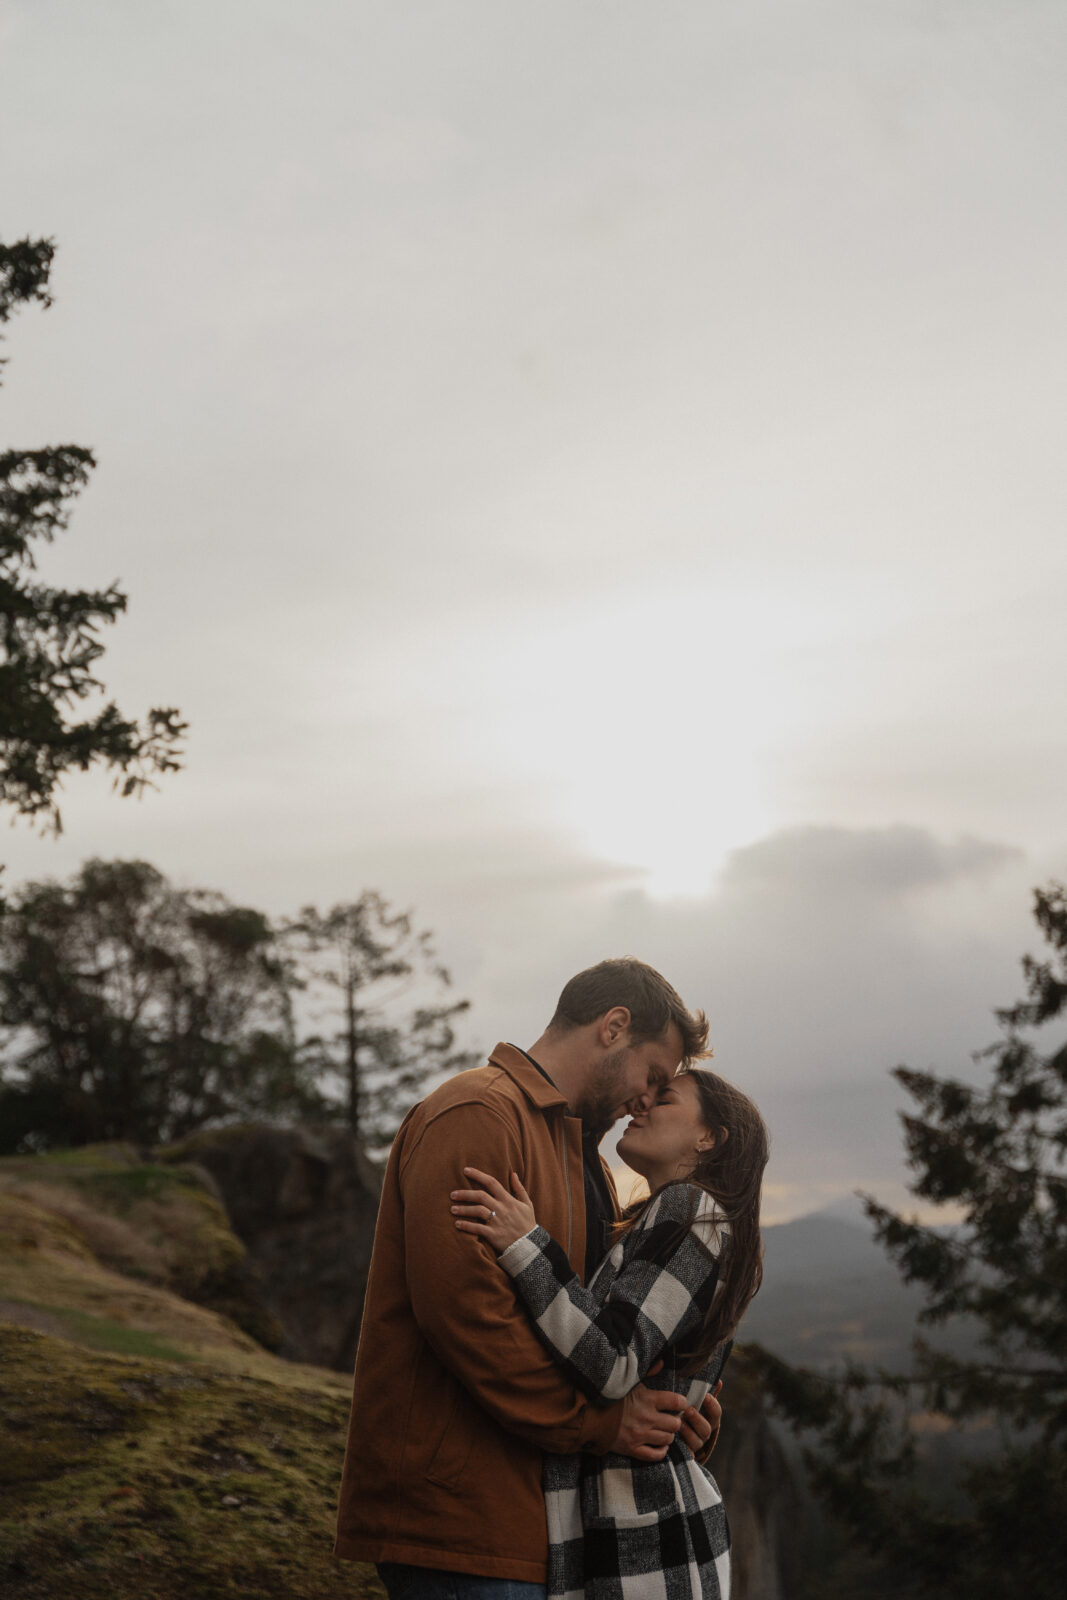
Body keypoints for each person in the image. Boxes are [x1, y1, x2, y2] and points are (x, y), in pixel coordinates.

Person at [334, 958, 723, 1600]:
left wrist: (676, 1410)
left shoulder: (586, 1163)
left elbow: (599, 1328)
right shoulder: (477, 1114)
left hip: (547, 1530)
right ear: (613, 1026)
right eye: (654, 1075)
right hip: (462, 1523)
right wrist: (606, 1425)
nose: (649, 1100)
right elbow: (470, 1321)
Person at [450, 1067, 768, 1600]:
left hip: (644, 1545)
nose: (641, 1105)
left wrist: (525, 1245)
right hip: (648, 1536)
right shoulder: (683, 1217)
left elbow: (614, 1359)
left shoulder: (694, 1211)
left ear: (708, 1137)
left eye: (664, 1098)